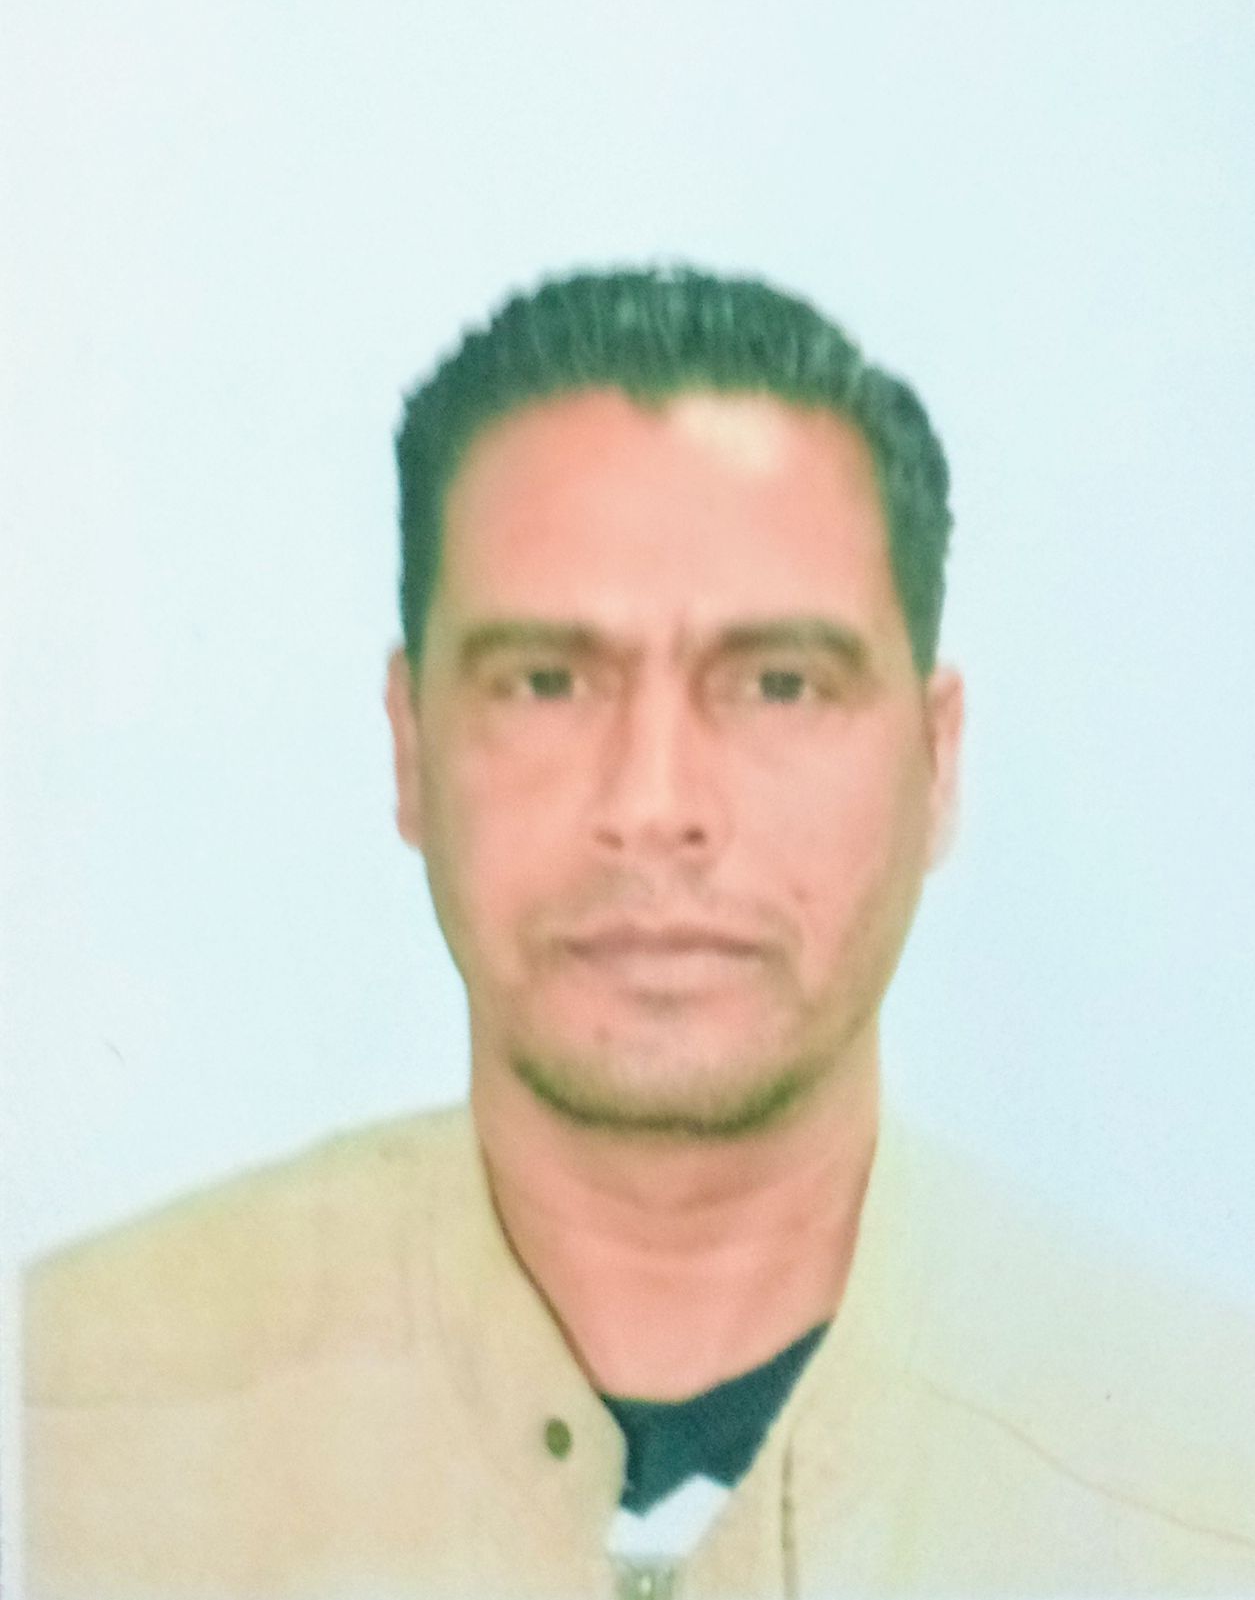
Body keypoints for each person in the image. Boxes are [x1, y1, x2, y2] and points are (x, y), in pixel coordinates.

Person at [24, 267, 1255, 1600]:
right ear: (411, 746)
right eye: (547, 682)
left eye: (779, 684)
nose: (654, 805)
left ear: (936, 758)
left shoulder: (1203, 1500)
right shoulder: (62, 1433)